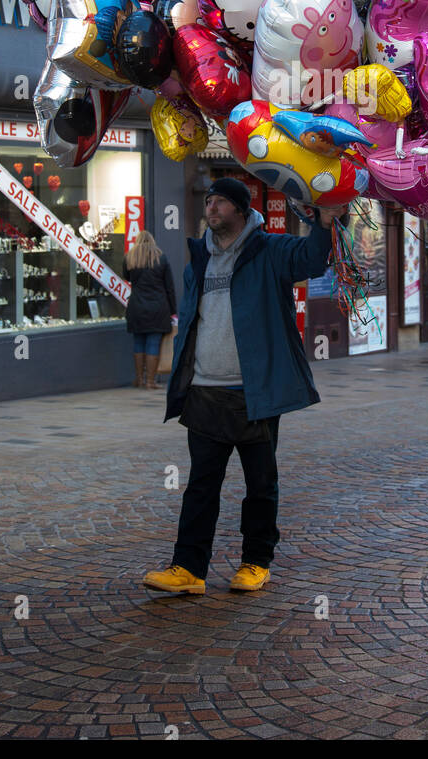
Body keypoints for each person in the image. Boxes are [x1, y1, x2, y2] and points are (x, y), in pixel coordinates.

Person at [143, 177, 344, 597]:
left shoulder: (269, 250)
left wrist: (323, 223)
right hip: (205, 389)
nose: (211, 207)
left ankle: (256, 562)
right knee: (201, 485)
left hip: (255, 392)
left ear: (239, 207)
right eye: (209, 201)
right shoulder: (198, 258)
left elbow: (311, 259)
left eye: (219, 202)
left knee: (260, 483)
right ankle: (188, 569)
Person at [123, 230, 177, 390]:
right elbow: (170, 287)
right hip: (158, 307)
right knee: (153, 342)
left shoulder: (129, 257)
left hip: (136, 306)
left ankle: (139, 379)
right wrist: (173, 310)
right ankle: (150, 381)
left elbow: (127, 277)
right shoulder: (161, 258)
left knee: (138, 342)